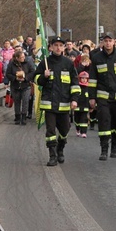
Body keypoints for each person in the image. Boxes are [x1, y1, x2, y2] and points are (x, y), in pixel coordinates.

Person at [33, 36, 80, 166]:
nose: (58, 48)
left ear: (64, 47)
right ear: (51, 47)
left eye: (61, 45)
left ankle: (60, 149)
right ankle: (52, 155)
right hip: (49, 103)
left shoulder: (68, 63)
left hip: (64, 104)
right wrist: (44, 76)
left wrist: (74, 99)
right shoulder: (45, 63)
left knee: (65, 130)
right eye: (56, 45)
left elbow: (75, 83)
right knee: (50, 131)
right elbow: (36, 79)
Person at [88, 33, 116, 160]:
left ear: (114, 42)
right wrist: (91, 97)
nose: (107, 43)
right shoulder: (96, 58)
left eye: (110, 40)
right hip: (103, 97)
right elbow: (92, 79)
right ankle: (104, 149)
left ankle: (114, 147)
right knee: (104, 121)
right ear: (102, 42)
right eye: (105, 41)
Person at [5, 50, 35, 125]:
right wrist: (15, 78)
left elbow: (32, 72)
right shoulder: (11, 64)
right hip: (15, 86)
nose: (23, 59)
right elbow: (8, 74)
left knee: (25, 101)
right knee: (17, 101)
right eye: (21, 57)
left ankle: (24, 116)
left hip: (26, 85)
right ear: (17, 58)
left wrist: (26, 78)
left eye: (23, 57)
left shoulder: (27, 63)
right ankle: (17, 116)